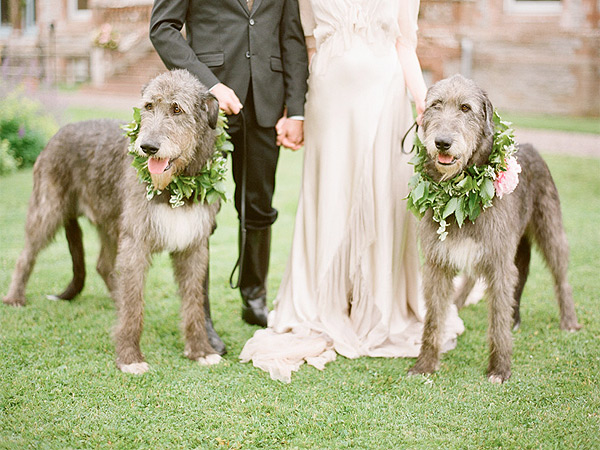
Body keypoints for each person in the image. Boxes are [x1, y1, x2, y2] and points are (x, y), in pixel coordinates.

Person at [240, 0, 465, 382]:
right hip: (330, 98)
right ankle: (325, 301)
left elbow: (405, 45)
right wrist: (298, 109)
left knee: (382, 196)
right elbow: (307, 46)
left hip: (386, 94)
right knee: (332, 196)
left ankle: (378, 303)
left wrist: (423, 101)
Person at [149, 0, 310, 353]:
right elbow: (162, 28)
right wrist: (210, 84)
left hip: (267, 99)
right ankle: (200, 316)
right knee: (200, 211)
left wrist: (296, 109)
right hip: (206, 109)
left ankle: (254, 298)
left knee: (259, 205)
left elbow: (292, 38)